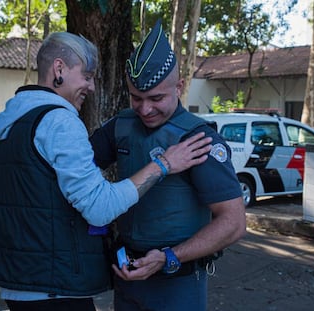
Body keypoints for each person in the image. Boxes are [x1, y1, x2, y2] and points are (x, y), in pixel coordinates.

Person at [0, 32, 213, 311]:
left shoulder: (14, 120)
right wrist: (163, 164)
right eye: (87, 76)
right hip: (53, 286)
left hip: (20, 283)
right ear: (59, 69)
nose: (92, 87)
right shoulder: (59, 121)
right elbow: (99, 207)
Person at [90, 20, 246, 311]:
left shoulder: (199, 139)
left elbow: (233, 223)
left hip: (176, 282)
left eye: (156, 98)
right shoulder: (121, 125)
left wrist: (169, 257)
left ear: (180, 86)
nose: (145, 109)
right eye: (136, 98)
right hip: (127, 273)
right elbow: (79, 167)